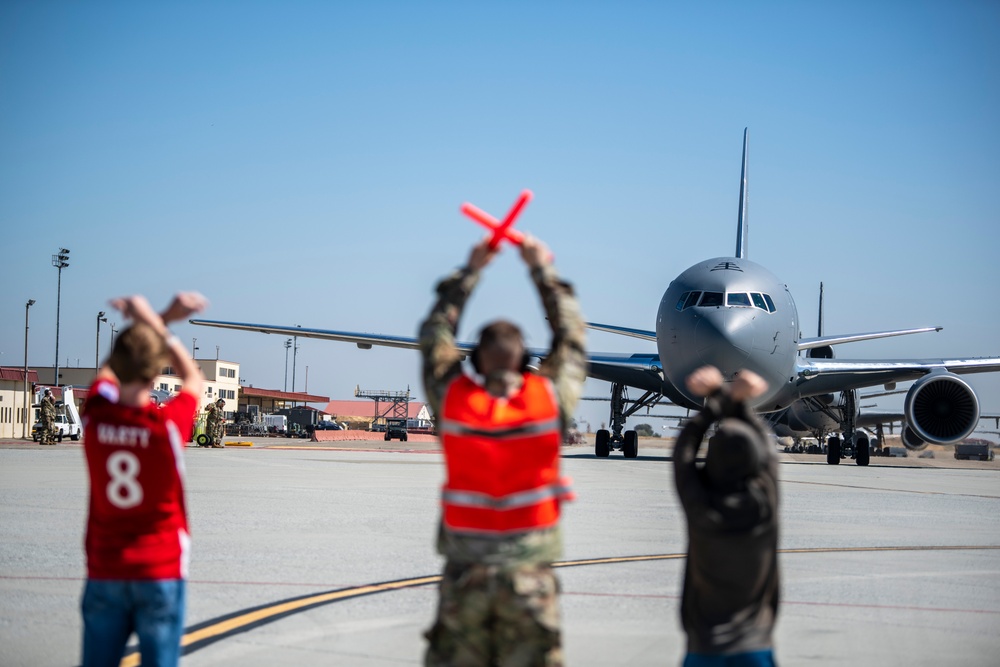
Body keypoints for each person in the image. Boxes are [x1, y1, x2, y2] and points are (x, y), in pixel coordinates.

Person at [419, 234, 587, 667]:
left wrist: (471, 269)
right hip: (528, 578)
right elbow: (571, 337)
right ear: (524, 359)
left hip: (465, 579)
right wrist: (541, 270)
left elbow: (435, 331)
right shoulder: (548, 400)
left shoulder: (454, 400)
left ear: (474, 363)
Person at [79, 292, 207, 667]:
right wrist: (159, 318)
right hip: (160, 567)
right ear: (156, 372)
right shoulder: (165, 427)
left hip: (105, 566)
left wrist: (145, 319)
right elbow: (194, 380)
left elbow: (106, 374)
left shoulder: (96, 418)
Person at [672, 365, 780, 667]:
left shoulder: (701, 511)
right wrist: (740, 400)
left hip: (704, 649)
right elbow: (769, 456)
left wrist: (714, 400)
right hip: (755, 647)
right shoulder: (766, 506)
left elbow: (682, 456)